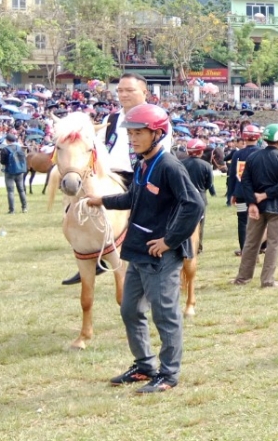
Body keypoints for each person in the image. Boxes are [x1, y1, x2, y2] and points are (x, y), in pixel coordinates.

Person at [86, 104, 203, 395]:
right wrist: (101, 201)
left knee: (165, 315)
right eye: (131, 133)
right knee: (129, 310)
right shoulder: (142, 164)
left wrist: (170, 240)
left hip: (160, 257)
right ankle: (144, 366)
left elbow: (194, 204)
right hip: (137, 252)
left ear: (157, 134)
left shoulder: (169, 166)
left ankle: (169, 374)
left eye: (139, 133)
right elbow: (133, 199)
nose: (133, 138)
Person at [63, 73, 171, 286]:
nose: (123, 94)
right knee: (77, 208)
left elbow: (162, 152)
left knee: (147, 215)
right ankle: (90, 255)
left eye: (129, 90)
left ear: (144, 92)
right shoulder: (110, 119)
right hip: (111, 175)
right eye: (120, 90)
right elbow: (98, 148)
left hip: (141, 174)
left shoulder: (157, 116)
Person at [231, 124, 278, 288]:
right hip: (276, 207)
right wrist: (266, 195)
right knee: (273, 244)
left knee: (250, 242)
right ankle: (267, 280)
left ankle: (243, 278)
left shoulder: (253, 157)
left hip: (256, 207)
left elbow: (245, 181)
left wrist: (252, 201)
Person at [227, 125, 264, 256]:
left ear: (243, 137)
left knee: (242, 221)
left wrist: (231, 193)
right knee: (260, 220)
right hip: (257, 193)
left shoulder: (237, 154)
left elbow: (232, 176)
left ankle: (244, 250)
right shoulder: (262, 152)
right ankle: (261, 247)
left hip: (241, 193)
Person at [181, 138, 215, 253]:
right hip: (200, 197)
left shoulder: (180, 164)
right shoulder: (206, 165)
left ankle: (184, 245)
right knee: (200, 224)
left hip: (184, 197)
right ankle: (198, 247)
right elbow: (209, 184)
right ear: (201, 152)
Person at [0, 133, 27, 214]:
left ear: (7, 140)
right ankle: (24, 207)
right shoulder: (19, 148)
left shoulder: (5, 149)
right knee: (21, 190)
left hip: (9, 172)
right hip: (20, 171)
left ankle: (12, 210)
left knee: (10, 191)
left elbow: (2, 161)